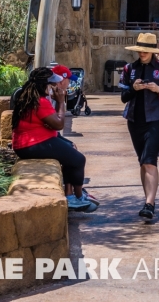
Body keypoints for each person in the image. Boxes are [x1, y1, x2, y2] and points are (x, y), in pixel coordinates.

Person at [12, 67, 95, 212]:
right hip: (33, 144)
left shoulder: (29, 96)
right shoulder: (40, 101)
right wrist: (61, 102)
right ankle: (78, 197)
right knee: (79, 160)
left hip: (28, 143)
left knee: (71, 151)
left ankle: (71, 195)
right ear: (45, 85)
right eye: (52, 85)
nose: (55, 87)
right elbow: (59, 124)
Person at [120, 33, 159, 220]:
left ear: (152, 51)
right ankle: (148, 200)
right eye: (140, 50)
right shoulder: (129, 69)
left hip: (156, 119)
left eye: (146, 50)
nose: (143, 53)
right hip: (134, 120)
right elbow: (123, 98)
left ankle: (150, 204)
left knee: (150, 161)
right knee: (142, 162)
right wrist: (133, 89)